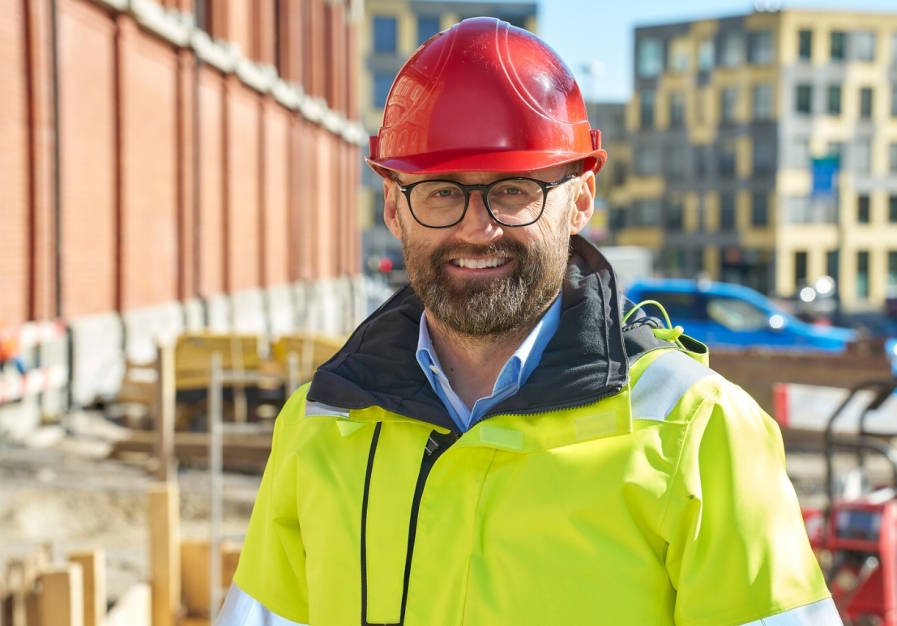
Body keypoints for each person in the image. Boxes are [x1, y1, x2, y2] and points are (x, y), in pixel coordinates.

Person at [218, 17, 839, 625]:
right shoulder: (320, 424)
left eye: (514, 190)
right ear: (393, 206)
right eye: (441, 191)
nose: (475, 226)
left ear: (581, 200)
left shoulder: (699, 432)